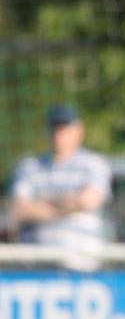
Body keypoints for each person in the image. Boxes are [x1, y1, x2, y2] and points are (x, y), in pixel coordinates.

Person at [11, 105, 111, 271]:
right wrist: (70, 206)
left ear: (79, 131)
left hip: (82, 262)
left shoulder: (93, 164)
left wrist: (44, 204)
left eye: (65, 130)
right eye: (55, 129)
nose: (59, 135)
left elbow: (88, 200)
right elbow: (19, 210)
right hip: (39, 265)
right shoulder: (30, 166)